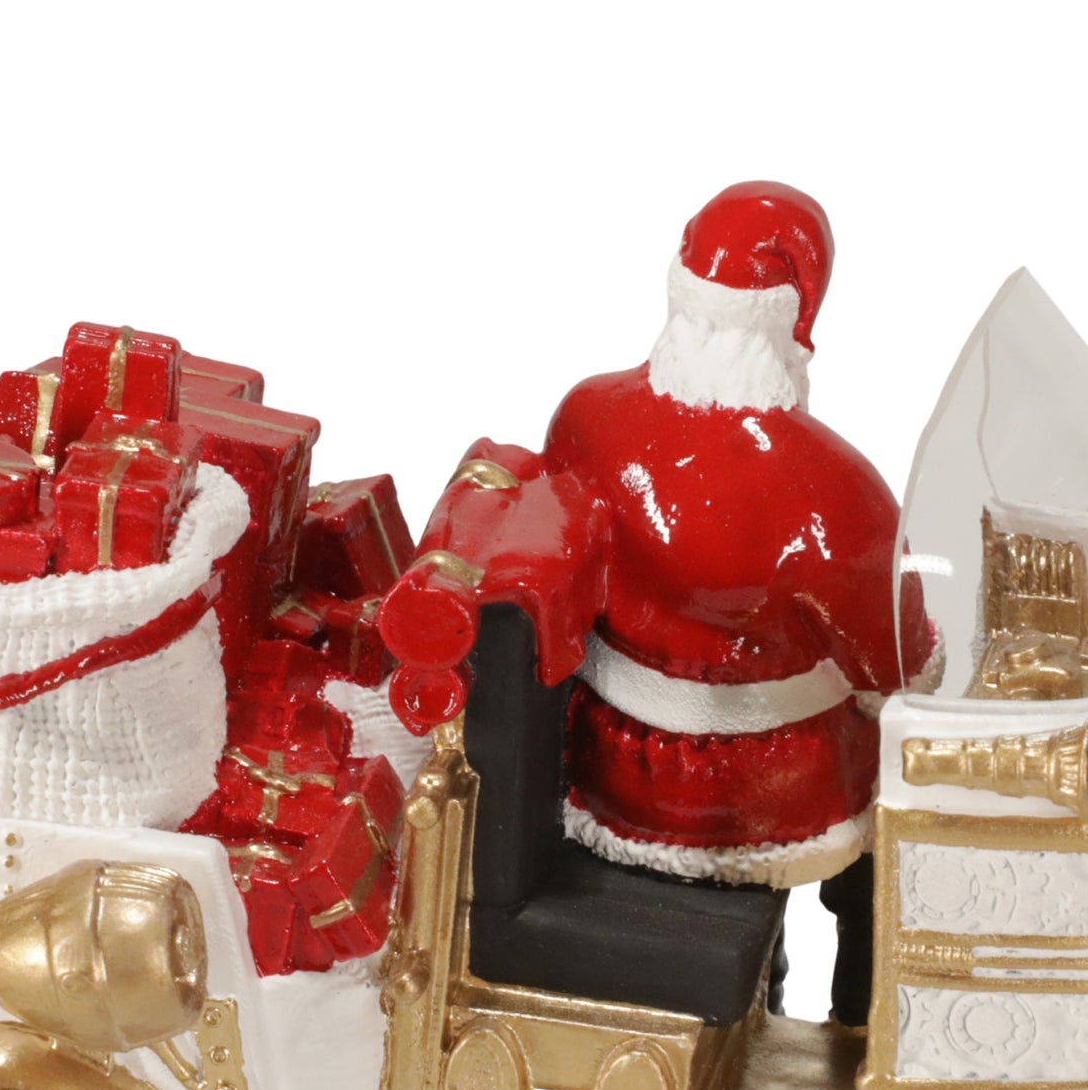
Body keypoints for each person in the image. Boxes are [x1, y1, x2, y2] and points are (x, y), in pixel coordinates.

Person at [381, 181, 934, 1022]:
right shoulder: (834, 489)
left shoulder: (586, 416)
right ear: (798, 319)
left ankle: (768, 997)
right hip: (766, 790)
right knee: (892, 811)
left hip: (607, 761)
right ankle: (854, 1011)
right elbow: (895, 660)